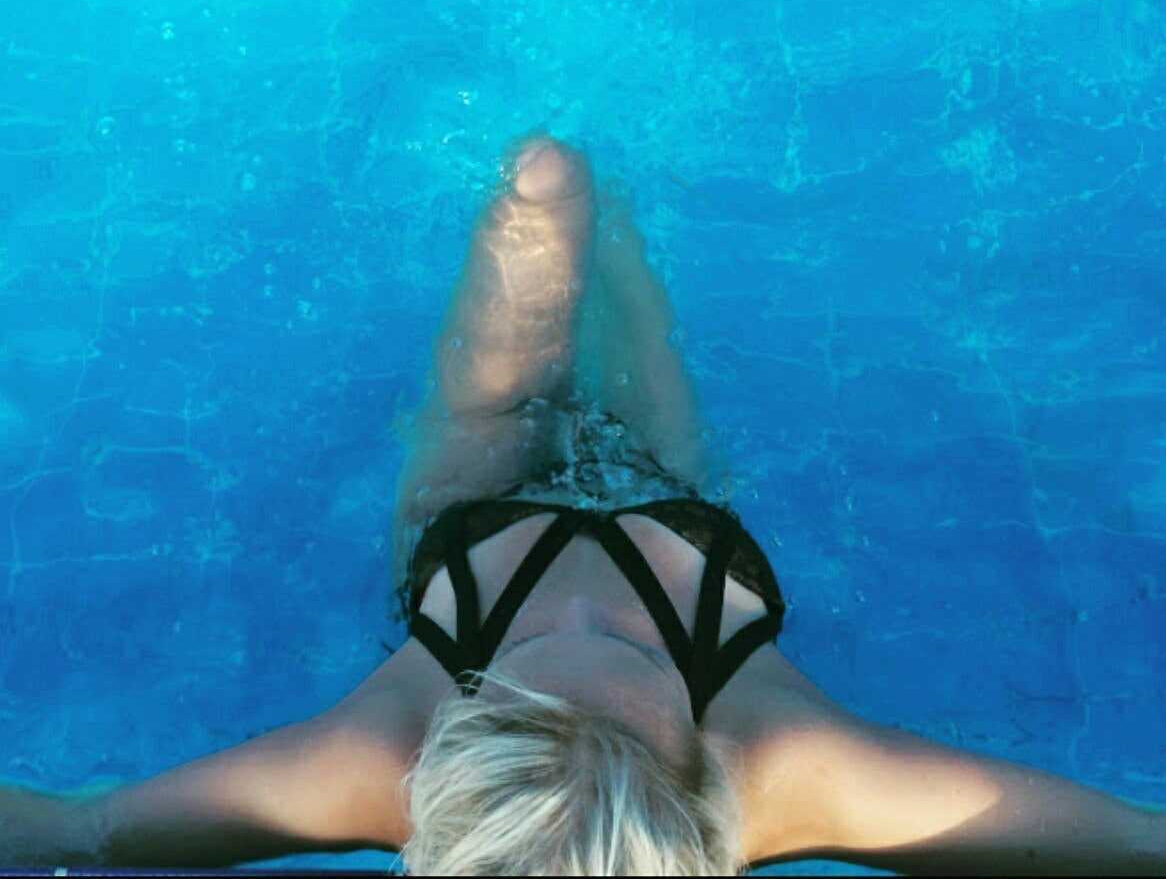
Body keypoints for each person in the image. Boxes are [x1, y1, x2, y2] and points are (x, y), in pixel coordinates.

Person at [2, 135, 1162, 875]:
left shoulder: (372, 759)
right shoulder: (792, 770)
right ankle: (625, 227)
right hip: (672, 505)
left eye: (539, 677)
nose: (577, 618)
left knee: (537, 199)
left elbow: (76, 829)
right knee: (629, 280)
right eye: (619, 667)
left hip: (476, 513)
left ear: (444, 747)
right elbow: (1130, 841)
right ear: (701, 764)